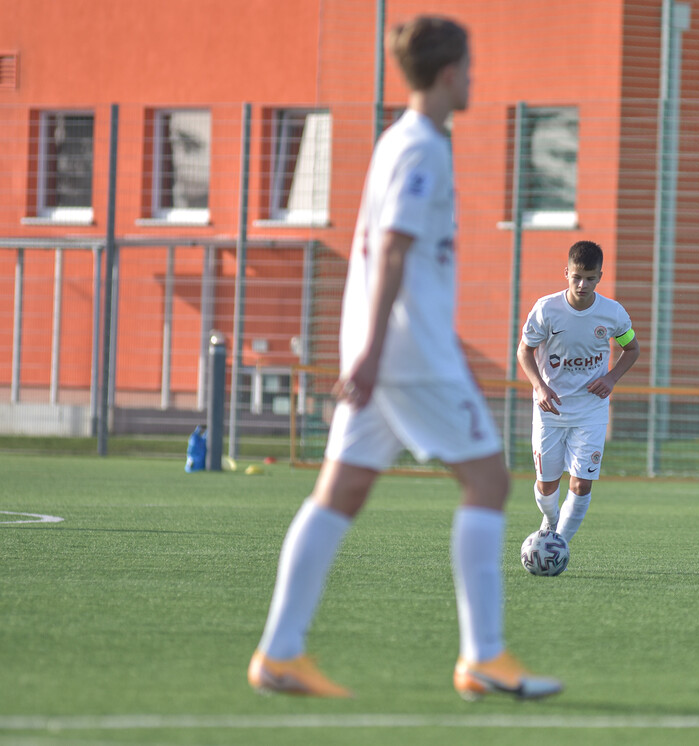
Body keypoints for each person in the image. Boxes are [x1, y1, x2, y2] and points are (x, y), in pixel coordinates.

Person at [248, 15, 562, 702]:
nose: (475, 78)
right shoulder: (421, 147)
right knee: (487, 482)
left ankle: (279, 652)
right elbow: (392, 247)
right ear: (450, 73)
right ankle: (483, 657)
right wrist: (370, 353)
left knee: (341, 492)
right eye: (471, 67)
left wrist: (363, 349)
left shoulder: (402, 139)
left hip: (383, 349)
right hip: (410, 354)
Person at [517, 240, 640, 546]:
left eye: (590, 277)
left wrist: (611, 379)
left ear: (600, 276)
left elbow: (632, 348)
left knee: (582, 483)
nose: (582, 284)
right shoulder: (546, 310)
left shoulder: (613, 314)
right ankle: (550, 520)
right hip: (551, 409)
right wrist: (540, 386)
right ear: (566, 273)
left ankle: (560, 545)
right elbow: (524, 351)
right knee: (547, 486)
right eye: (576, 276)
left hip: (591, 410)